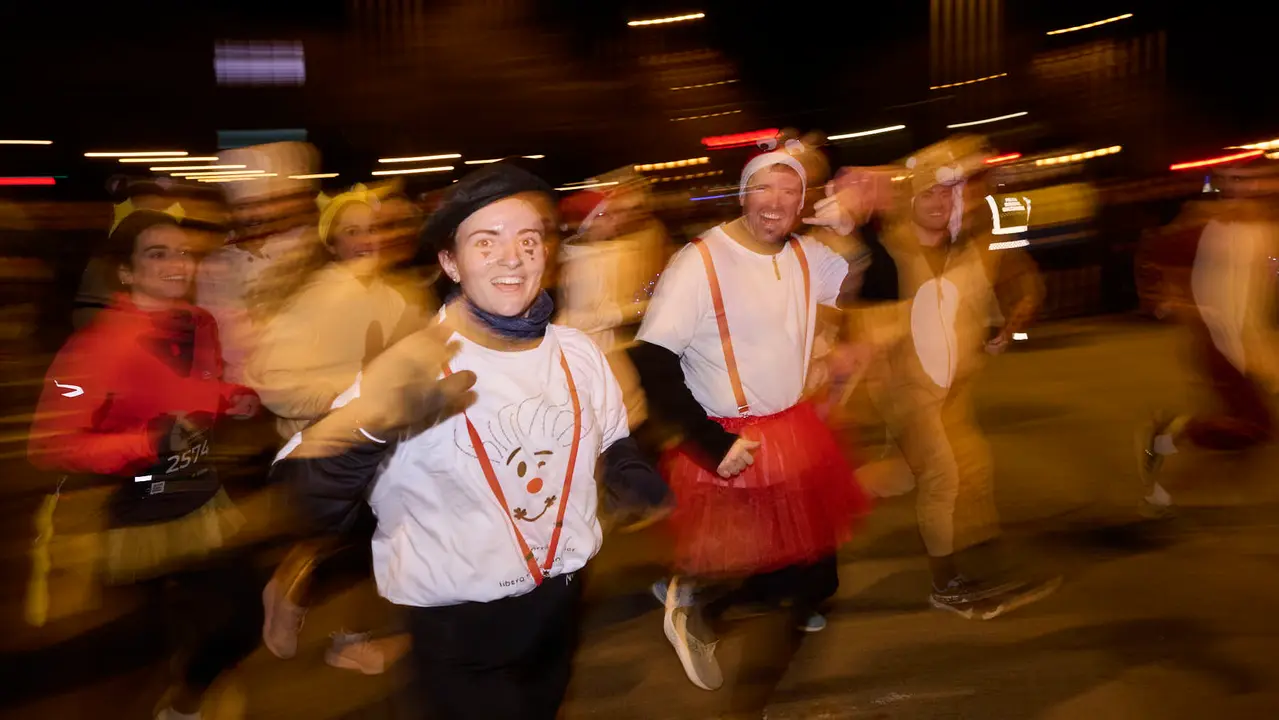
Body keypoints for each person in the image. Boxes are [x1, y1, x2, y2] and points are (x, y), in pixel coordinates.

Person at [270, 163, 662, 719]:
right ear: (449, 262)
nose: (513, 257)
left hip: (560, 602)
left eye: (528, 240)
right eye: (486, 242)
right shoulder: (414, 363)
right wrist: (375, 422)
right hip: (459, 627)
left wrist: (629, 472)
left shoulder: (577, 350)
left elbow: (610, 431)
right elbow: (307, 499)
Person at [629, 140, 869, 712]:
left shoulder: (807, 253)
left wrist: (853, 232)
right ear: (743, 193)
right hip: (733, 442)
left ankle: (709, 614)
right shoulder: (701, 261)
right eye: (764, 187)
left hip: (795, 432)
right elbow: (652, 360)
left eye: (791, 192)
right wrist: (711, 443)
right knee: (784, 580)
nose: (776, 201)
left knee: (807, 582)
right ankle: (707, 621)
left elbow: (870, 282)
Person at [27, 210, 263, 720]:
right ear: (127, 272)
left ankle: (184, 701)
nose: (179, 264)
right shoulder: (93, 348)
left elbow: (189, 391)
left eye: (184, 252)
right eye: (159, 253)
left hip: (200, 501)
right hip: (131, 515)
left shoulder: (199, 323)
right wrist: (147, 441)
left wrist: (229, 398)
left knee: (245, 621)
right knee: (136, 653)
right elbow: (50, 445)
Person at [833, 135, 1057, 620]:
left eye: (948, 192)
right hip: (903, 387)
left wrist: (1012, 319)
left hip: (954, 384)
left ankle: (827, 503)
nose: (940, 203)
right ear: (909, 198)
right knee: (944, 475)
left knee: (960, 469)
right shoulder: (889, 248)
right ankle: (949, 583)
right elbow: (856, 310)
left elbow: (1007, 283)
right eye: (928, 194)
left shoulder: (969, 243)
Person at [247, 182, 418, 674]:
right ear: (333, 242)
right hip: (327, 448)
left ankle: (335, 623)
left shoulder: (395, 294)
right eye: (353, 231)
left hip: (377, 443)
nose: (367, 240)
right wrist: (349, 394)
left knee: (377, 542)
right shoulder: (320, 297)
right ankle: (293, 585)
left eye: (375, 228)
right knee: (364, 542)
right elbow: (272, 382)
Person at [1138, 159, 1279, 515]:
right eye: (1257, 189)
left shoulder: (1264, 227)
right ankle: (1176, 432)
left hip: (1250, 340)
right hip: (1221, 342)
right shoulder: (1210, 229)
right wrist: (1172, 302)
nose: (1264, 197)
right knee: (1256, 426)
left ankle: (1182, 488)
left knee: (1251, 427)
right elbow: (1156, 254)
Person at [558, 177, 674, 529]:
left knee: (619, 430)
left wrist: (617, 313)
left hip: (607, 357)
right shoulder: (574, 258)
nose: (614, 221)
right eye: (605, 215)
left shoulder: (617, 252)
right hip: (587, 357)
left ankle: (640, 497)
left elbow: (628, 305)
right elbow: (579, 310)